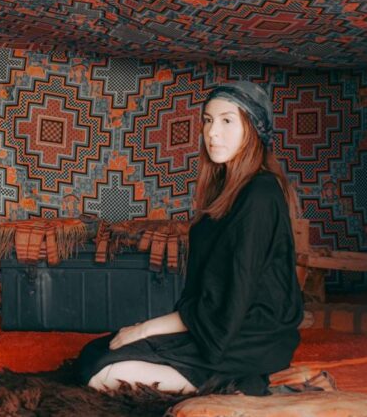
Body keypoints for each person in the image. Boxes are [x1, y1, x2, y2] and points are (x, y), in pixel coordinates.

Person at [77, 81, 303, 396]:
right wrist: (144, 331)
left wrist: (145, 329)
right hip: (216, 325)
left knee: (101, 371)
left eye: (227, 121)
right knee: (94, 353)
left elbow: (231, 298)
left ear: (253, 129)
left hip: (245, 337)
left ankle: (230, 383)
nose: (212, 133)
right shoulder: (227, 189)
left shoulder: (260, 194)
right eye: (208, 120)